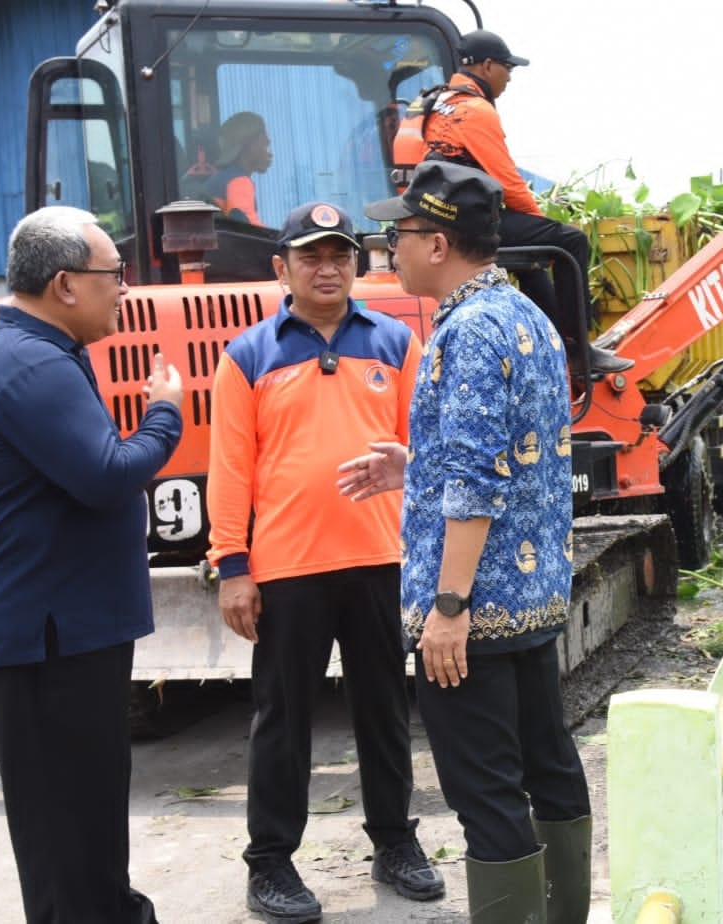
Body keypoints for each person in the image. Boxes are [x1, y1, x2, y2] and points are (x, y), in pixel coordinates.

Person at [347, 161, 592, 923]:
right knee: (548, 766)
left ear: (440, 242)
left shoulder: (468, 331)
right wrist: (413, 465)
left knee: (484, 792)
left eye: (401, 234)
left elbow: (480, 482)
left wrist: (448, 606)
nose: (391, 249)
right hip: (529, 597)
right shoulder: (527, 317)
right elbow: (510, 453)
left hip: (474, 610)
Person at [205, 201, 444, 922]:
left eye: (341, 254)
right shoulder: (248, 355)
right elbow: (231, 469)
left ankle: (395, 842)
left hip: (380, 558)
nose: (328, 267)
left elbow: (424, 452)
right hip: (288, 568)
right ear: (281, 269)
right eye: (311, 256)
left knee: (383, 709)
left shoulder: (397, 343)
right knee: (282, 720)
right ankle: (270, 863)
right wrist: (232, 565)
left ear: (359, 263)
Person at [0, 205, 184, 923]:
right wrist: (165, 414)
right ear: (64, 284)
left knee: (85, 826)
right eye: (113, 275)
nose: (123, 288)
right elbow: (107, 474)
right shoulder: (29, 363)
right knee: (66, 840)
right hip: (45, 641)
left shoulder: (45, 351)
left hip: (64, 632)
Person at [390, 29, 634, 376]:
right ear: (488, 66)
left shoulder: (434, 103)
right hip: (464, 222)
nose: (508, 79)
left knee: (530, 258)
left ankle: (556, 342)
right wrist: (545, 225)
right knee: (568, 240)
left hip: (434, 215)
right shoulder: (474, 110)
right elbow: (509, 184)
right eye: (508, 69)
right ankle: (580, 354)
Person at [204, 111, 273, 225]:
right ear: (249, 146)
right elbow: (250, 231)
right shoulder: (239, 181)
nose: (270, 153)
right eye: (265, 145)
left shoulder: (220, 178)